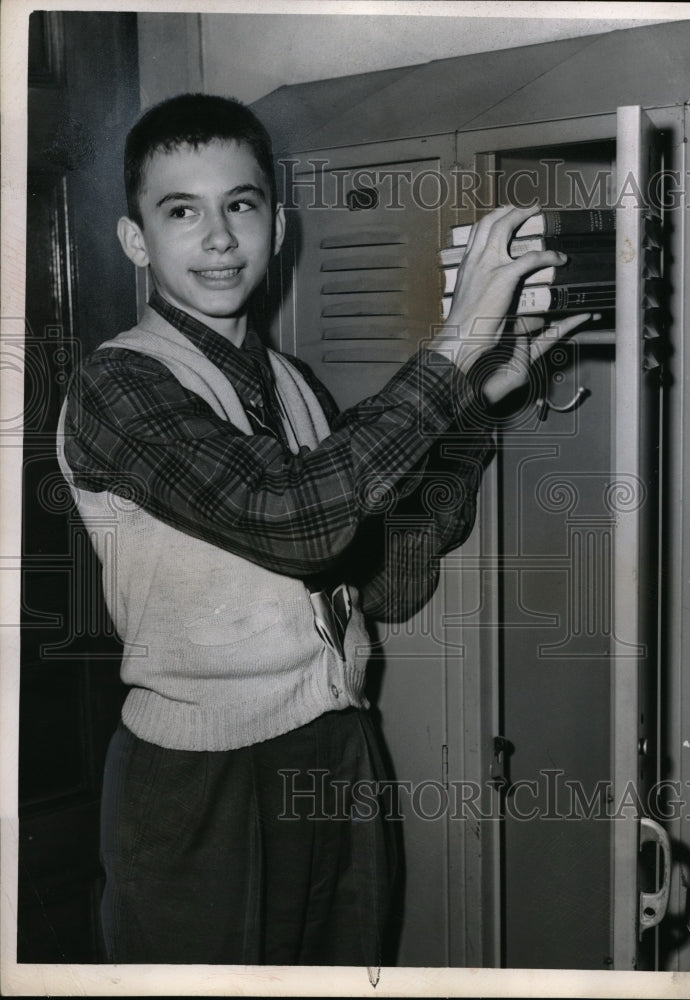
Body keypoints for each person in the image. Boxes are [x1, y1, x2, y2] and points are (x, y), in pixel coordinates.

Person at [56, 93, 591, 967]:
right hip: (200, 779)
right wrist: (457, 344)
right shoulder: (120, 386)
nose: (220, 237)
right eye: (181, 211)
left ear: (277, 225)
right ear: (133, 240)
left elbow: (387, 580)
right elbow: (294, 521)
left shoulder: (293, 383)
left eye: (242, 203)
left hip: (336, 745)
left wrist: (471, 412)